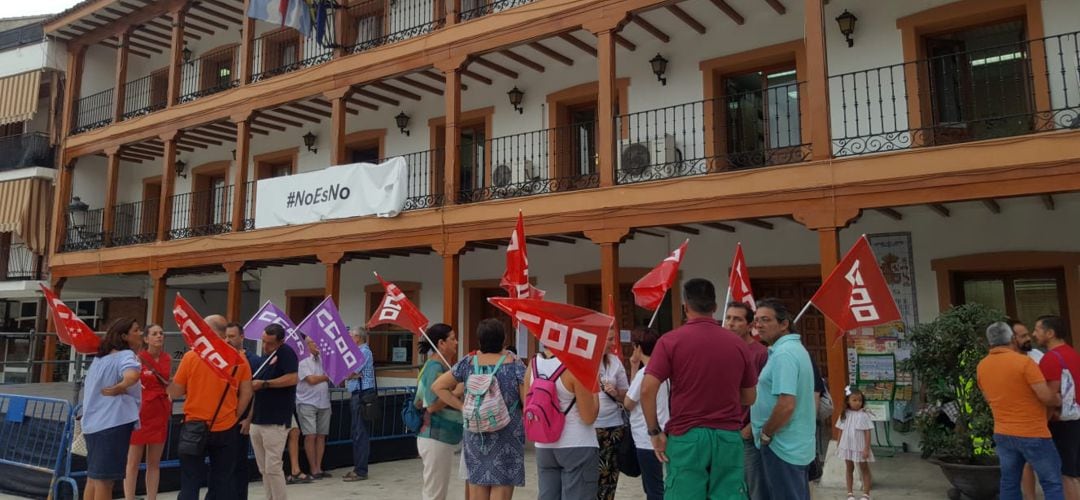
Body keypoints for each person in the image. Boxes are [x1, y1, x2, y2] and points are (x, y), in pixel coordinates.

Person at [641, 278, 757, 499]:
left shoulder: (670, 341)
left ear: (685, 307)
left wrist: (654, 431)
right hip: (728, 437)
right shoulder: (738, 345)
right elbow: (750, 397)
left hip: (687, 436)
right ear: (714, 307)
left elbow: (647, 390)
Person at [433, 318, 526, 500]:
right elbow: (527, 400)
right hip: (507, 435)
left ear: (480, 340)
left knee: (477, 487)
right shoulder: (515, 364)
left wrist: (462, 407)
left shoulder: (468, 363)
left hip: (476, 435)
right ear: (504, 339)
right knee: (502, 486)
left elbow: (438, 386)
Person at [169, 315, 253, 500]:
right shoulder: (239, 359)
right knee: (222, 481)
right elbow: (247, 392)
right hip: (226, 427)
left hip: (194, 425)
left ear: (208, 331)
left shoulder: (192, 356)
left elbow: (175, 392)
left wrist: (167, 382)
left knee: (190, 480)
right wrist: (236, 415)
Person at [976, 321, 1063, 500]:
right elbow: (1045, 396)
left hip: (1003, 433)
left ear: (990, 341)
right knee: (1051, 482)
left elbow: (988, 398)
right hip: (1033, 433)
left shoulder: (982, 366)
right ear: (1011, 339)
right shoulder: (1024, 363)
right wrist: (1058, 399)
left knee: (1009, 482)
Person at [750, 298, 816, 500]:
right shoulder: (792, 349)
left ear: (784, 323)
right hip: (794, 444)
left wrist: (766, 434)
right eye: (756, 320)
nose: (758, 325)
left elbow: (786, 404)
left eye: (765, 320)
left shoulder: (784, 354)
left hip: (783, 446)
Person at [82, 318, 143, 500]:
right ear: (124, 336)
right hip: (112, 423)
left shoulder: (99, 359)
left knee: (93, 478)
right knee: (105, 482)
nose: (141, 333)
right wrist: (121, 386)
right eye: (137, 330)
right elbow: (132, 374)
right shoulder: (126, 356)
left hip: (92, 424)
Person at [529, 345, 601, 500]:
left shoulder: (533, 364)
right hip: (577, 444)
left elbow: (527, 403)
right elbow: (588, 416)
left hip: (544, 446)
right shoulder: (576, 366)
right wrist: (595, 388)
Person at [249, 323, 300, 500]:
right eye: (263, 342)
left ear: (281, 341)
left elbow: (293, 378)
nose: (265, 347)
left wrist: (265, 384)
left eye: (270, 343)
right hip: (258, 418)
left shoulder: (285, 353)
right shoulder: (264, 358)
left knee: (273, 466)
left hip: (275, 419)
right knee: (263, 468)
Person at [725, 301, 768, 500]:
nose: (730, 323)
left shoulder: (760, 354)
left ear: (750, 326)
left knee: (754, 489)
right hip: (724, 432)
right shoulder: (722, 350)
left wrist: (750, 428)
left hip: (747, 434)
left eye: (737, 319)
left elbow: (765, 395)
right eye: (728, 318)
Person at [414, 323, 463, 500]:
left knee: (437, 490)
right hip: (434, 435)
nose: (456, 342)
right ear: (441, 343)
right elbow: (431, 405)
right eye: (453, 339)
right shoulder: (434, 368)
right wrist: (457, 392)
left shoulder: (441, 366)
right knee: (435, 493)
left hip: (440, 436)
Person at [1033, 315, 1080, 499]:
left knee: (1065, 474)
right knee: (1073, 473)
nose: (1034, 334)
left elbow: (1051, 397)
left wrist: (1040, 424)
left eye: (1037, 329)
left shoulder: (1050, 359)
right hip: (1075, 419)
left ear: (1050, 333)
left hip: (1060, 422)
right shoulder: (1073, 353)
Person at [124, 323, 170, 500]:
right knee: (133, 461)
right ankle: (129, 497)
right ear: (146, 338)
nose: (159, 336)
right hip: (141, 412)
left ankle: (152, 497)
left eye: (161, 333)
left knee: (154, 462)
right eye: (155, 333)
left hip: (160, 411)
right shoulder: (138, 359)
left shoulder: (166, 358)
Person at [623, 327, 668, 500]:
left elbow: (628, 402)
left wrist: (634, 367)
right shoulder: (664, 370)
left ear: (637, 347)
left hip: (646, 436)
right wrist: (634, 365)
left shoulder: (646, 373)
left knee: (653, 488)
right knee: (655, 484)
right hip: (663, 430)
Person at [223, 321, 257, 500]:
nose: (228, 340)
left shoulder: (252, 360)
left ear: (242, 337)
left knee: (239, 463)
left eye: (232, 336)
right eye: (226, 336)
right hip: (223, 417)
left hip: (241, 418)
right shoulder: (221, 359)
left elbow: (254, 392)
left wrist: (249, 418)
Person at [1010, 319, 1043, 500]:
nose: (1028, 338)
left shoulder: (1037, 355)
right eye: (1023, 336)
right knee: (1024, 464)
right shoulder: (1006, 362)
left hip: (1044, 417)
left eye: (1027, 334)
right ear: (1012, 339)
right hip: (1019, 420)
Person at [595, 328, 629, 500]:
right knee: (590, 475)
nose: (612, 343)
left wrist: (616, 393)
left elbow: (626, 394)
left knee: (609, 476)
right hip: (589, 427)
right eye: (608, 339)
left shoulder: (615, 362)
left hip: (613, 427)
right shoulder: (585, 362)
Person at [344, 327, 376, 482]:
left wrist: (349, 374)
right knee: (356, 432)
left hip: (362, 395)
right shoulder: (359, 352)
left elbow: (351, 371)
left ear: (358, 337)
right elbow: (352, 373)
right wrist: (352, 374)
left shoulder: (363, 352)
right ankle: (358, 468)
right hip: (357, 394)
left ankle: (361, 470)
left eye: (351, 336)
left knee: (360, 432)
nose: (349, 339)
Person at [297, 337, 332, 480]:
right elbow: (311, 380)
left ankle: (319, 467)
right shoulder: (302, 360)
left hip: (324, 401)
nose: (318, 345)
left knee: (321, 435)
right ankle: (313, 468)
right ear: (307, 345)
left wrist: (326, 376)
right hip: (307, 401)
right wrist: (327, 376)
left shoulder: (324, 359)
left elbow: (334, 375)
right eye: (314, 343)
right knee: (310, 435)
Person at [836, 387, 874, 500]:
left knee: (864, 468)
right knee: (849, 468)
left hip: (860, 447)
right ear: (848, 400)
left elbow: (867, 432)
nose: (858, 403)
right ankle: (850, 493)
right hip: (847, 446)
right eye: (854, 400)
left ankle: (866, 494)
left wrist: (866, 448)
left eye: (860, 400)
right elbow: (840, 430)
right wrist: (838, 445)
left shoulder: (864, 415)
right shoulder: (844, 414)